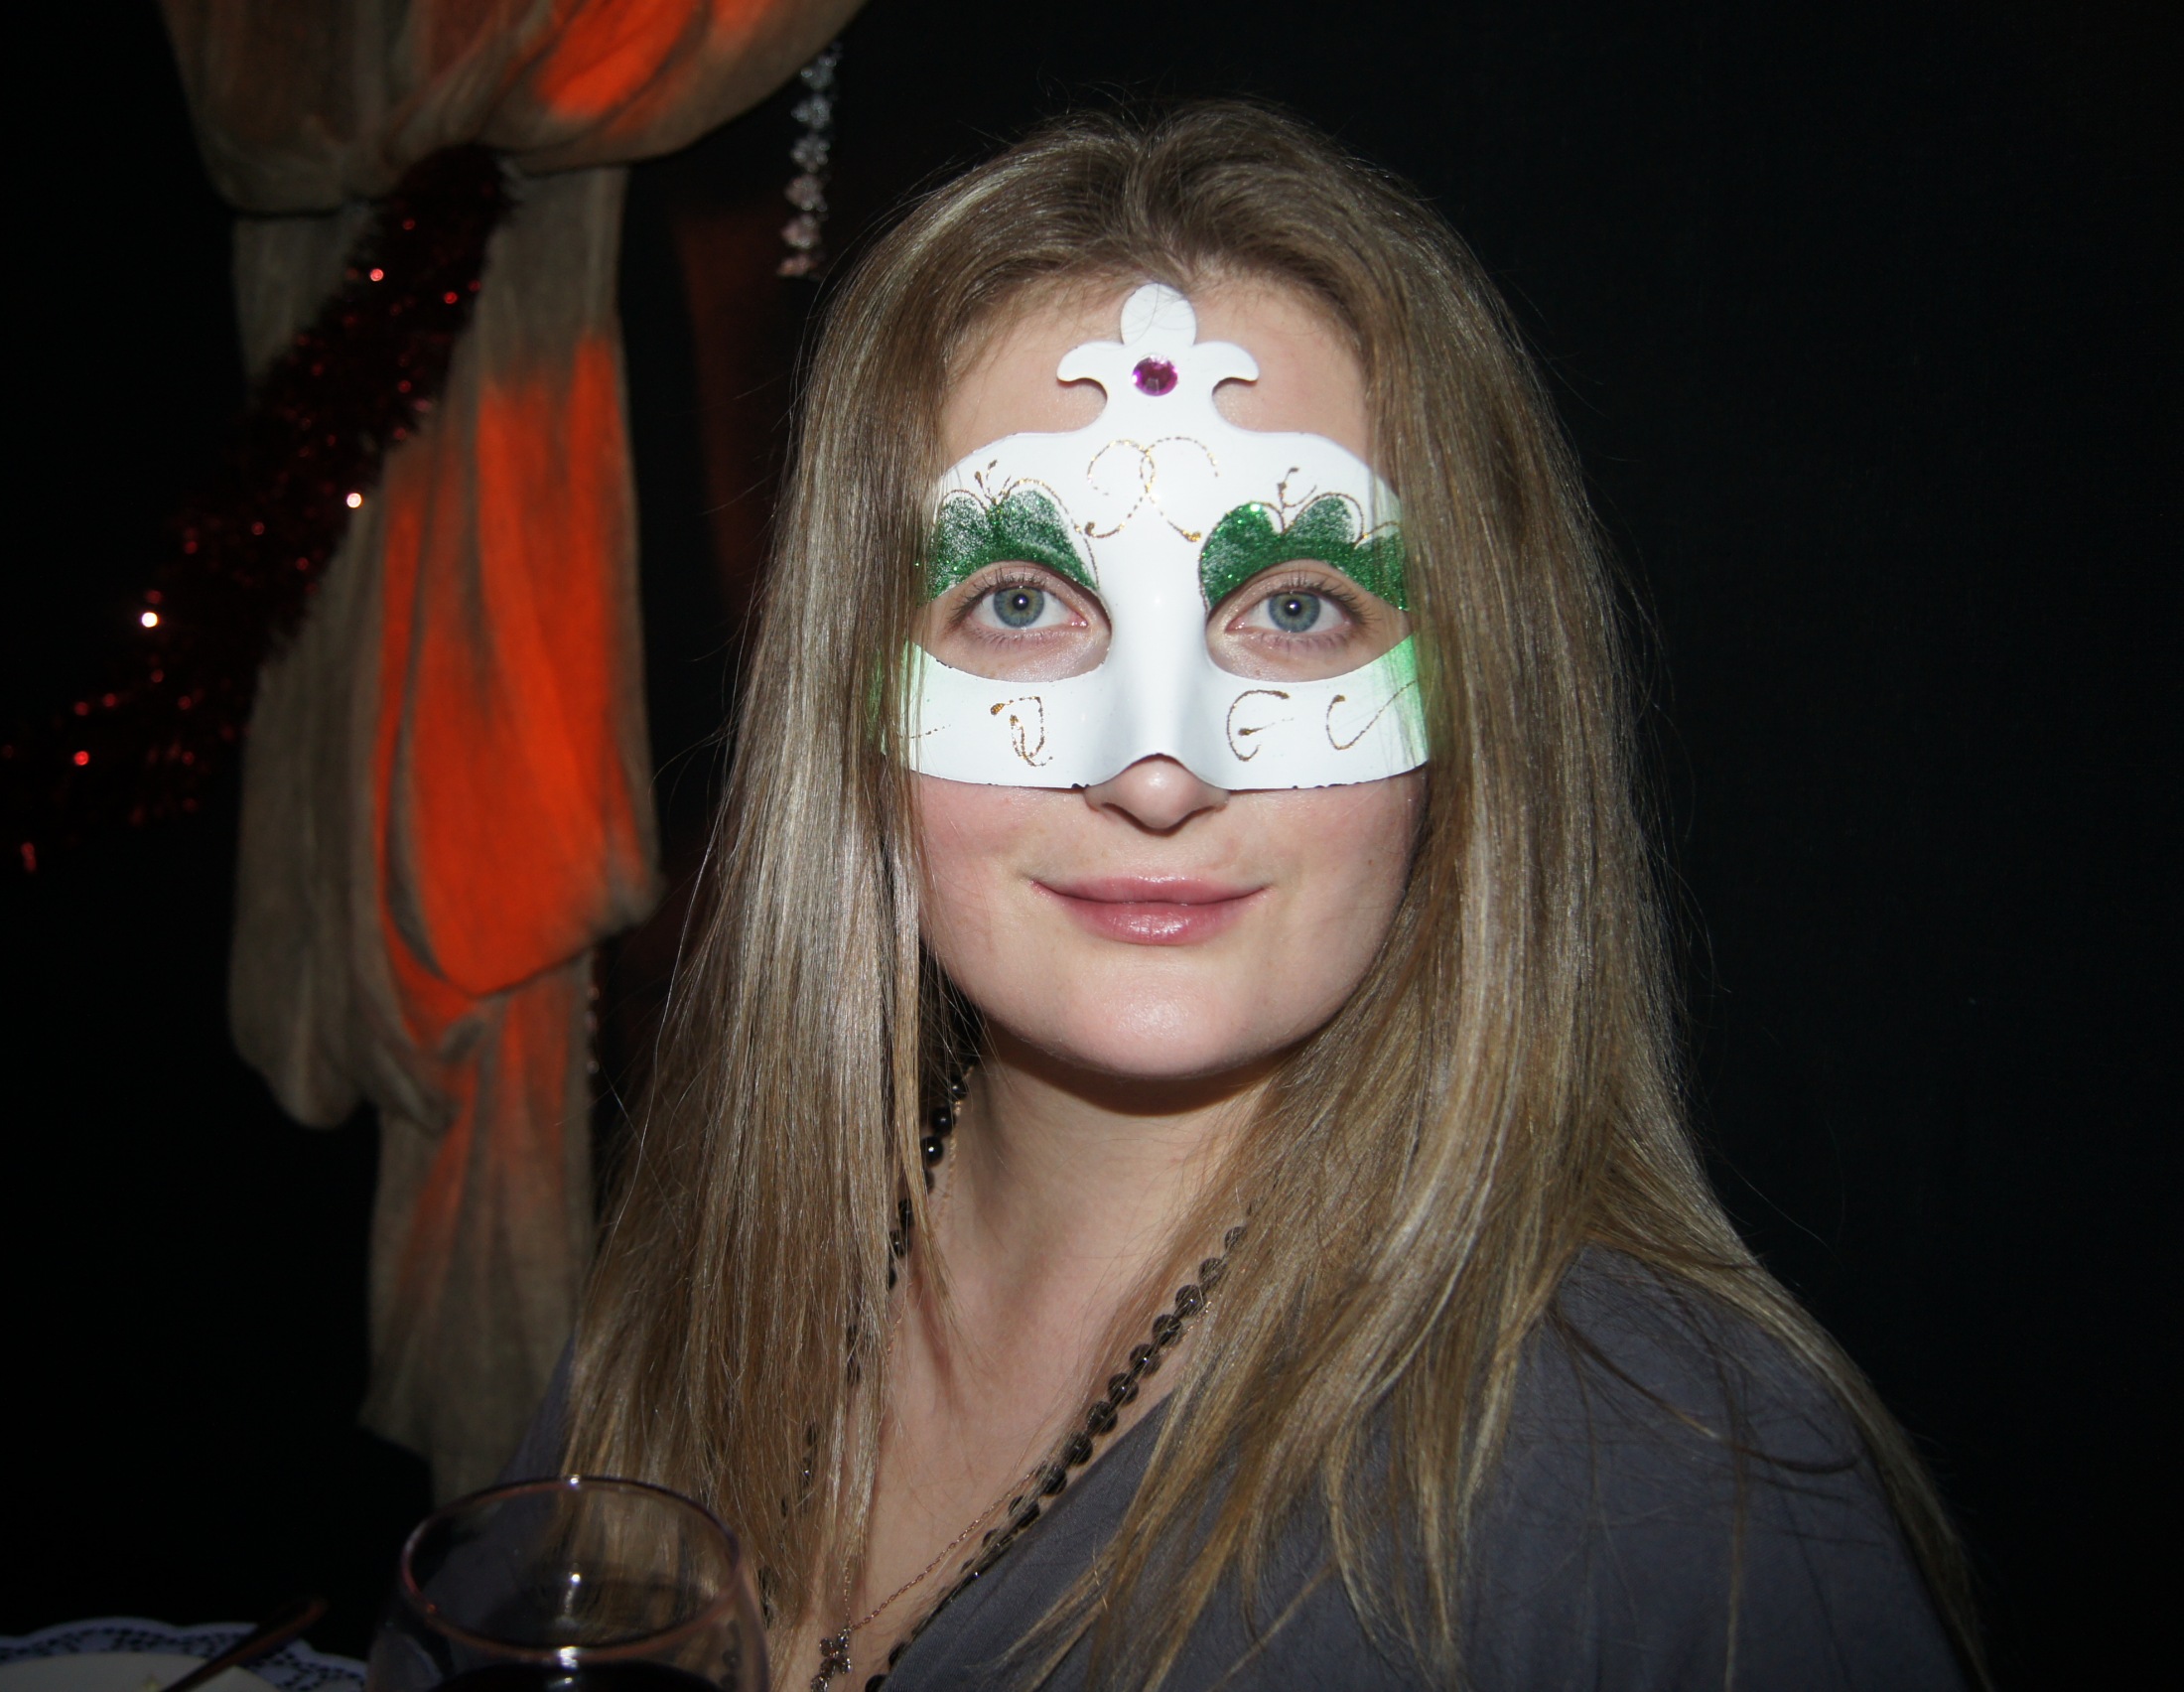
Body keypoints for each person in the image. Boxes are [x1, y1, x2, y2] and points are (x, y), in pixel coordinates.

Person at [505, 101, 1980, 1690]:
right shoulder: (705, 1285)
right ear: (852, 693)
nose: (1159, 771)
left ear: (1470, 703)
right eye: (1020, 600)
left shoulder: (1687, 1499)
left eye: (1293, 608)